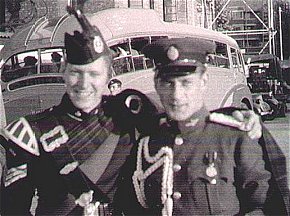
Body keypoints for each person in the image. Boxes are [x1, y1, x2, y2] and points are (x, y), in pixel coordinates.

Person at [0, 7, 274, 216]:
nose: (84, 84)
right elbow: (12, 209)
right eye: (75, 73)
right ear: (63, 72)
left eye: (94, 74)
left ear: (109, 73)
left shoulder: (130, 111)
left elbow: (184, 122)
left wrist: (238, 116)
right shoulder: (31, 132)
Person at [113, 38, 289, 215]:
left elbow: (263, 205)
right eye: (168, 83)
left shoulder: (234, 138)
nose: (177, 95)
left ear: (203, 81)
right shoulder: (147, 147)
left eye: (186, 83)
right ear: (157, 85)